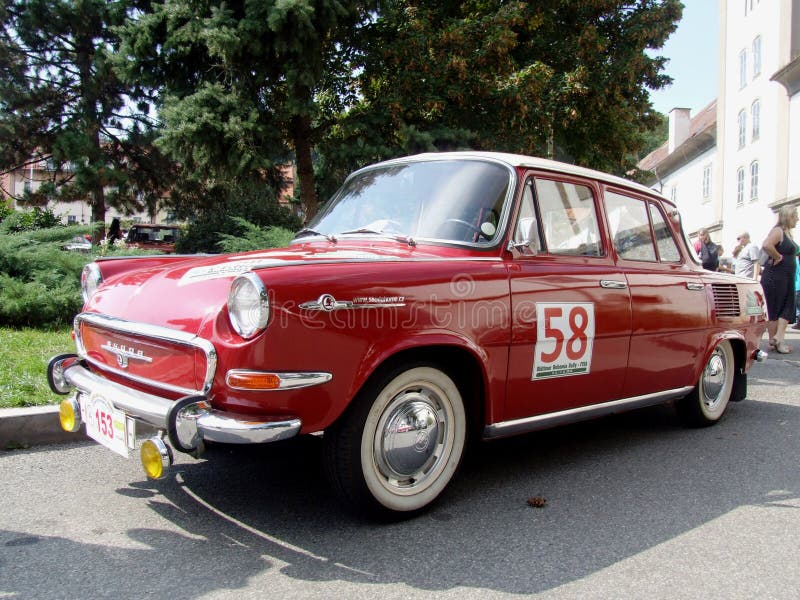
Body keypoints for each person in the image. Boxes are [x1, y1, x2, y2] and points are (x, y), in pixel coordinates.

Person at [760, 205, 799, 353]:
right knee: (777, 307)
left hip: (787, 276)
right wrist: (778, 256)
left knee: (787, 305)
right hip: (776, 276)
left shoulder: (788, 233)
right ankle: (777, 340)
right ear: (789, 216)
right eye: (795, 216)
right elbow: (766, 245)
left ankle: (776, 338)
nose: (797, 219)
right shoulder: (778, 231)